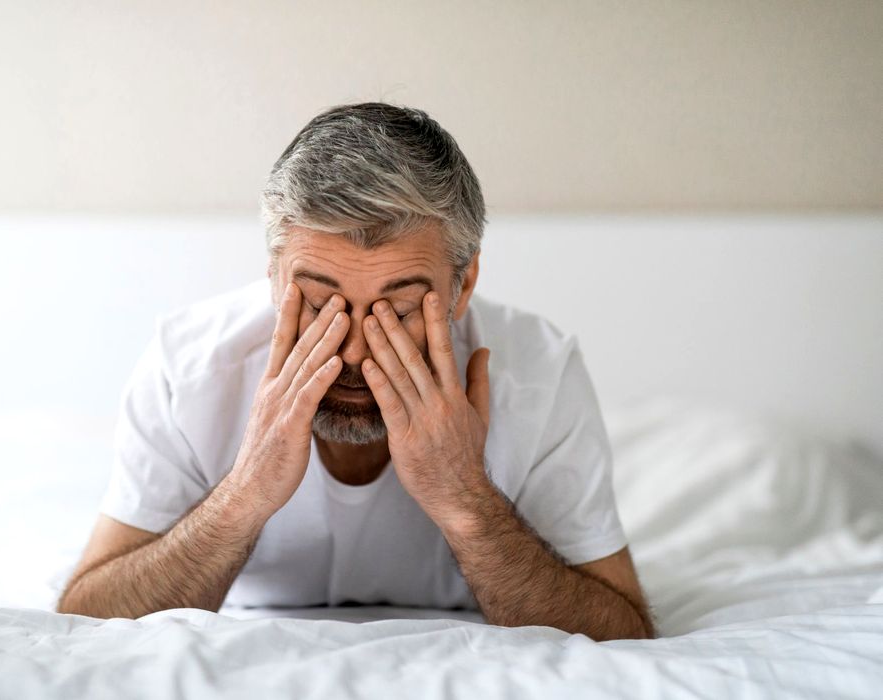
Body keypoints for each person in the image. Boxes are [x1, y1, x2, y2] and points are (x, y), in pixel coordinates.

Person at [57, 103, 654, 640]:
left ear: (464, 285)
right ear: (274, 277)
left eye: (399, 310)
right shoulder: (187, 368)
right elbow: (86, 617)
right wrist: (244, 495)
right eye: (319, 303)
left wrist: (465, 498)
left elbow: (622, 631)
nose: (352, 351)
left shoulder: (542, 374)